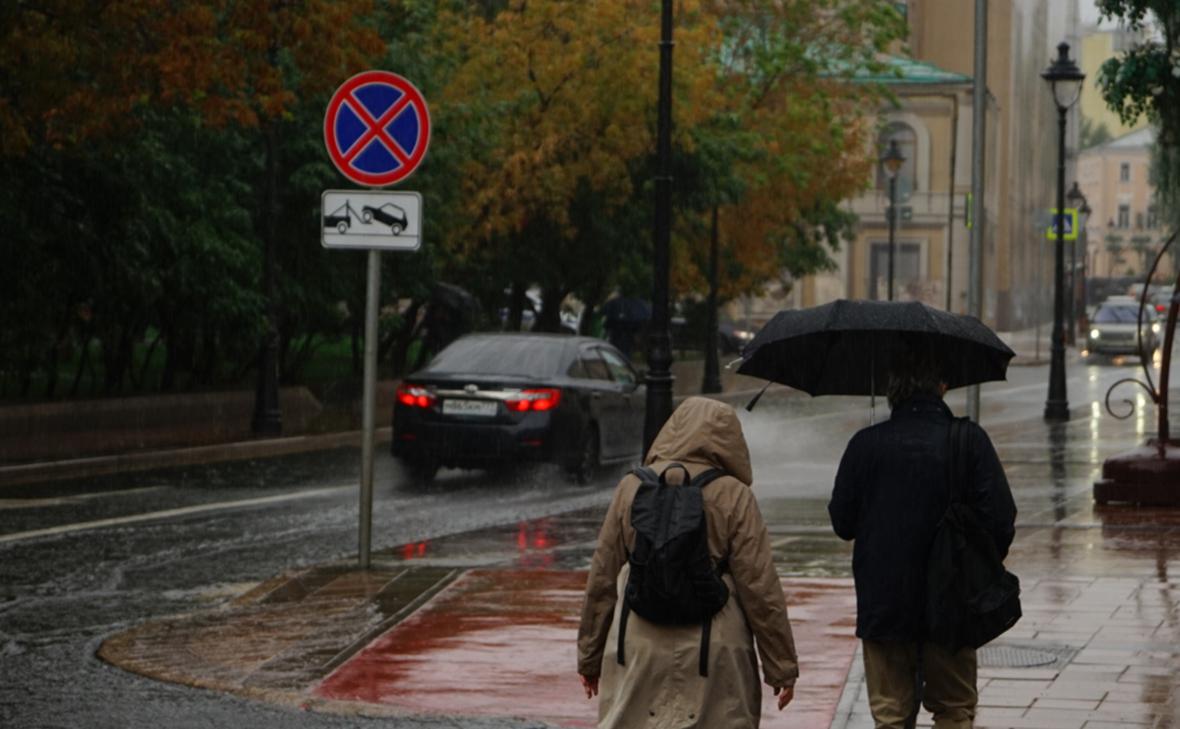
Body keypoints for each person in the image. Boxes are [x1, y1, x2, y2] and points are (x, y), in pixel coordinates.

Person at [577, 396, 798, 728]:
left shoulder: (631, 487)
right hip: (715, 644)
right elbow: (759, 587)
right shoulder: (734, 494)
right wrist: (780, 665)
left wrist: (589, 657)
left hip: (638, 640)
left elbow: (602, 578)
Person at [828, 345, 1017, 729]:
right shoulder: (968, 441)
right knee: (953, 709)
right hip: (953, 602)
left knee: (891, 713)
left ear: (891, 390)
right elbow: (1000, 519)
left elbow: (842, 522)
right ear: (943, 386)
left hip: (885, 604)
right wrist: (973, 568)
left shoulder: (866, 445)